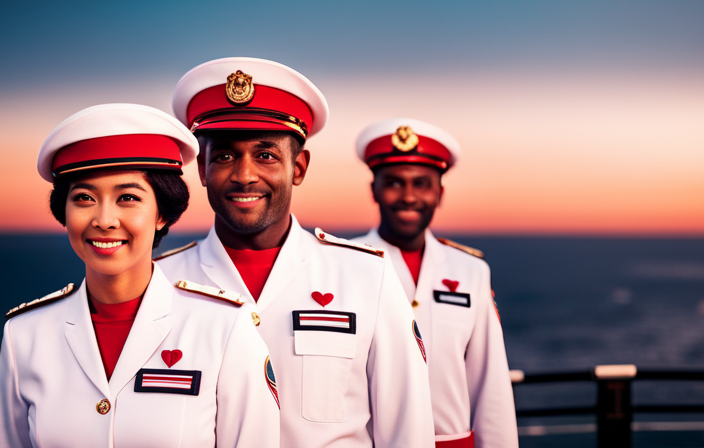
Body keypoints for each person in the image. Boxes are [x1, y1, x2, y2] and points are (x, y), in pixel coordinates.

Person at [157, 57, 436, 448]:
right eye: (223, 156)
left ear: (299, 167)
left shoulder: (367, 277)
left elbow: (407, 432)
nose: (244, 174)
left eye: (266, 155)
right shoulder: (159, 283)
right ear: (201, 170)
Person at [0, 104, 280, 448]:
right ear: (64, 211)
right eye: (84, 197)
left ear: (162, 213)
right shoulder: (24, 336)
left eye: (128, 198)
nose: (104, 219)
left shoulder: (224, 329)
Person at [351, 118, 518, 448]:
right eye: (395, 182)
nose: (409, 196)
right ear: (374, 190)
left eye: (422, 184)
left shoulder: (471, 272)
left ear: (440, 193)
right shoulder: (344, 265)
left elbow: (491, 386)